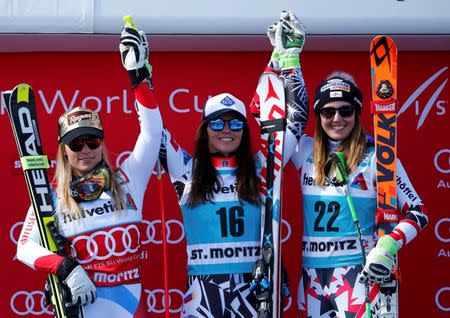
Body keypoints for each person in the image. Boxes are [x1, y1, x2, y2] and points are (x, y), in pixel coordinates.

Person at [155, 11, 309, 318]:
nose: (227, 130)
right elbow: (152, 132)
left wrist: (287, 59)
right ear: (205, 130)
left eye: (236, 124)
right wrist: (139, 78)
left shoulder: (262, 167)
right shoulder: (187, 170)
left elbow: (295, 118)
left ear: (245, 130)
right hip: (202, 297)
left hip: (254, 289)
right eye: (218, 123)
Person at [16, 23, 163, 317]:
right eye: (76, 143)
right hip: (85, 307)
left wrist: (138, 76)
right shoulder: (52, 195)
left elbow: (152, 133)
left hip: (132, 309)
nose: (85, 149)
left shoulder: (127, 179)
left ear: (102, 143)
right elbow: (24, 248)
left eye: (92, 140)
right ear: (64, 150)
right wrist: (65, 267)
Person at [291, 71, 429, 317]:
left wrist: (387, 245)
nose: (337, 118)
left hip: (357, 275)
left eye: (346, 111)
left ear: (357, 112)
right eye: (327, 111)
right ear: (318, 114)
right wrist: (287, 58)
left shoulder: (378, 157)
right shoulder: (304, 150)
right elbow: (286, 116)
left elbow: (418, 212)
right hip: (311, 276)